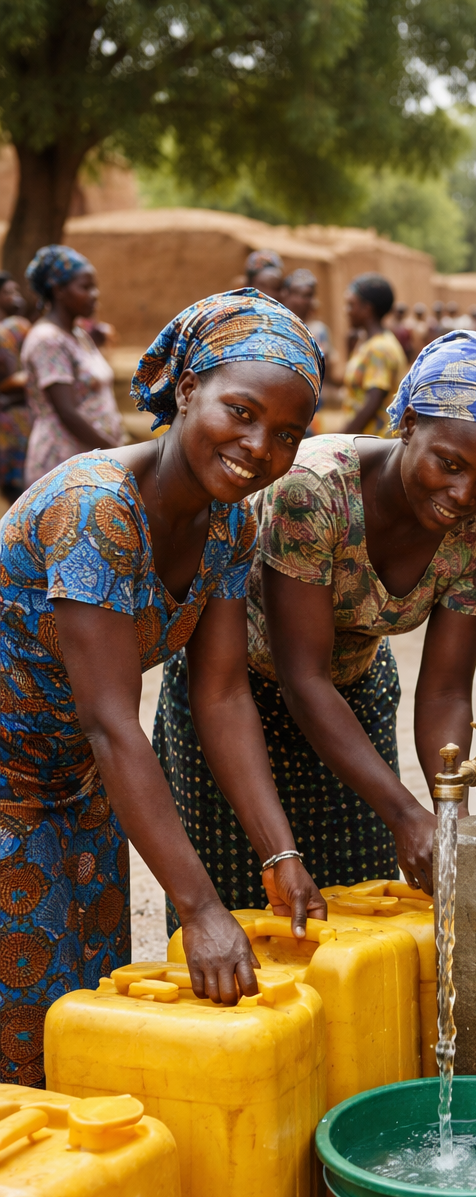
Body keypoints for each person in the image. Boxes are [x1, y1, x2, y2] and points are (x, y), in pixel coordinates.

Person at [0, 288, 328, 1086]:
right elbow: (116, 721)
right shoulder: (97, 510)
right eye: (241, 412)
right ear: (186, 391)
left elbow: (220, 694)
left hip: (80, 780)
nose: (260, 448)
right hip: (9, 785)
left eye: (287, 435)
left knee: (93, 1008)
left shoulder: (229, 522)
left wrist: (277, 850)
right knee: (25, 1029)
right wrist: (200, 908)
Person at [154, 331, 476, 904]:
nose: (465, 494)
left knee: (358, 897)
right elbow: (301, 676)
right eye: (450, 463)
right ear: (409, 422)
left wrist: (447, 810)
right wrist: (402, 811)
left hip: (352, 701)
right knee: (242, 899)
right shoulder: (314, 493)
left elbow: (443, 690)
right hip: (235, 700)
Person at [21, 246, 125, 486]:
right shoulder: (48, 340)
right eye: (85, 287)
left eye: (94, 286)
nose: (95, 294)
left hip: (90, 458)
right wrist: (116, 452)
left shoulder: (78, 334)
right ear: (58, 290)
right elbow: (67, 412)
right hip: (64, 463)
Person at [339, 273, 408, 437]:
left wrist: (339, 438)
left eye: (351, 305)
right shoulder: (366, 342)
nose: (346, 311)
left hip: (373, 442)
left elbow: (372, 403)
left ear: (366, 309)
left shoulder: (379, 348)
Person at [282, 269, 332, 432]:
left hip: (312, 413)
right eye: (300, 294)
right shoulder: (278, 327)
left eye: (309, 295)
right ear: (286, 294)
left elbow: (327, 371)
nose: (305, 301)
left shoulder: (318, 331)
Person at [0, 272, 32, 502]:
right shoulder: (11, 329)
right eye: (9, 292)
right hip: (11, 420)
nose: (16, 297)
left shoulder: (16, 328)